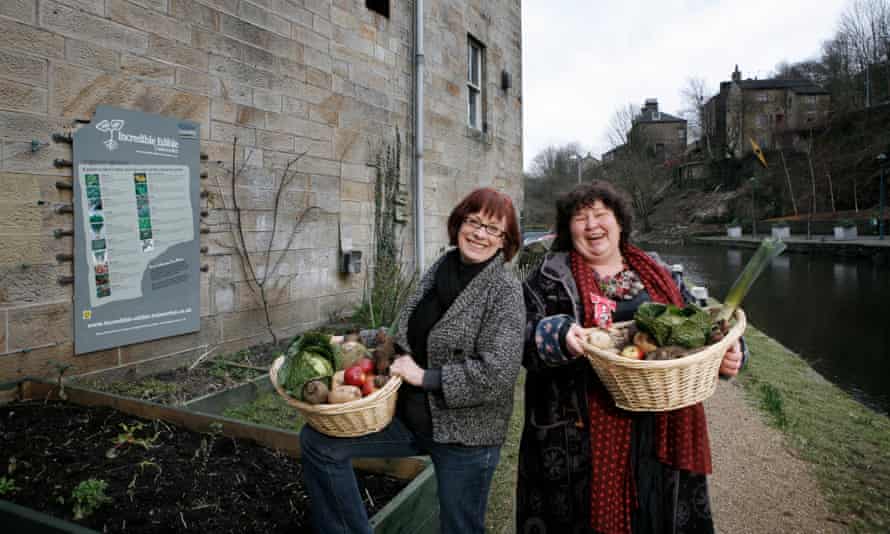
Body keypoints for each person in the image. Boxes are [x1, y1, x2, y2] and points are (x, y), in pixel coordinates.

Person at [517, 181, 745, 534]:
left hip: (659, 426)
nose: (592, 225)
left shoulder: (658, 271)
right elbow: (519, 336)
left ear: (620, 222)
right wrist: (556, 335)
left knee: (655, 515)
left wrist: (732, 354)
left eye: (600, 215)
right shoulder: (548, 276)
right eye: (580, 218)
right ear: (568, 229)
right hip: (581, 435)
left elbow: (703, 325)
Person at [300, 187, 525, 534]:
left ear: (505, 241)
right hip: (406, 417)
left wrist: (425, 377)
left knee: (460, 527)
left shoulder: (504, 292)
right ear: (459, 223)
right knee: (321, 443)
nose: (480, 234)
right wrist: (349, 340)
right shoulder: (441, 268)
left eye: (493, 229)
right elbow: (404, 330)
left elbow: (498, 373)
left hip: (465, 435)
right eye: (474, 221)